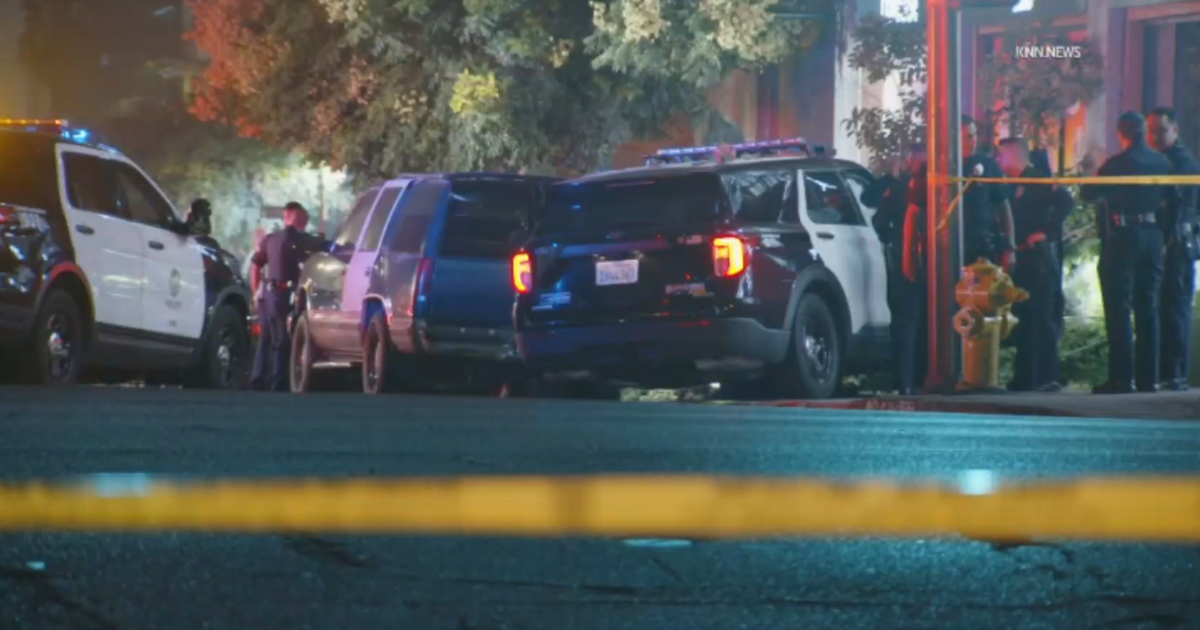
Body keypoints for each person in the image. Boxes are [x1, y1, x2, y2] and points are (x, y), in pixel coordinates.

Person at [1082, 111, 1179, 394]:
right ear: (1143, 132)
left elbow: (1089, 195)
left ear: (1121, 134)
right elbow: (1176, 200)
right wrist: (1165, 236)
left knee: (1118, 306)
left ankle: (1122, 377)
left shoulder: (1117, 164)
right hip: (1152, 236)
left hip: (1123, 235)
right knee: (1148, 306)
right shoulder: (1163, 162)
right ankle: (1149, 378)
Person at [998, 138, 1073, 392]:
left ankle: (1048, 376)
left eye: (1001, 155)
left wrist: (1046, 232)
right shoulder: (1013, 185)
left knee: (1040, 318)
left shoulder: (1037, 180)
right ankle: (1026, 377)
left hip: (1038, 258)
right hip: (1023, 258)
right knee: (1026, 318)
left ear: (1012, 155)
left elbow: (1066, 201)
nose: (998, 161)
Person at [249, 202, 332, 391]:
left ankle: (258, 379)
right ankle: (278, 382)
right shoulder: (294, 238)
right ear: (291, 216)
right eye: (301, 218)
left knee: (266, 338)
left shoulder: (271, 239)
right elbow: (325, 246)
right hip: (281, 292)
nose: (303, 222)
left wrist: (256, 292)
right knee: (280, 338)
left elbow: (256, 264)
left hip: (268, 294)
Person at [1148, 107, 1199, 391]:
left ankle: (1174, 372)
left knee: (1175, 308)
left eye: (1161, 130)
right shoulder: (1162, 160)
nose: (1155, 137)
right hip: (1167, 243)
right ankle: (1166, 370)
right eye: (1151, 131)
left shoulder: (1182, 163)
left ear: (1175, 130)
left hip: (1176, 245)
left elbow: (1184, 207)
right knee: (1164, 307)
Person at [866, 150, 920, 393]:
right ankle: (916, 380)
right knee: (915, 323)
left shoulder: (900, 188)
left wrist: (892, 241)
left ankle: (905, 382)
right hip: (924, 261)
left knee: (904, 323)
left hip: (904, 262)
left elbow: (878, 219)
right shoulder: (938, 185)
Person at [895, 144, 931, 395]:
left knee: (917, 323)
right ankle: (909, 381)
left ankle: (914, 380)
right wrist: (908, 256)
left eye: (914, 164)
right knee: (912, 322)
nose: (912, 168)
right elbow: (910, 218)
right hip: (917, 260)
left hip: (924, 258)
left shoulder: (923, 180)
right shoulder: (912, 184)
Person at [961, 116, 1018, 272]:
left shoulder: (988, 165)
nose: (973, 141)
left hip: (982, 248)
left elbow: (1004, 208)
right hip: (947, 251)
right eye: (967, 137)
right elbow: (915, 210)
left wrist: (1010, 248)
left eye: (974, 135)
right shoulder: (942, 167)